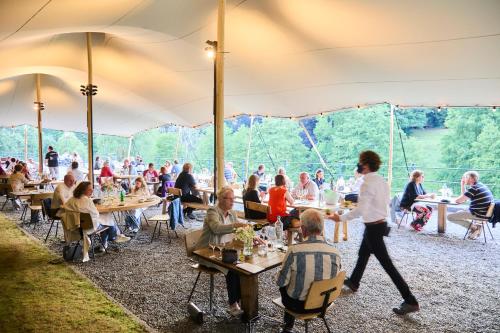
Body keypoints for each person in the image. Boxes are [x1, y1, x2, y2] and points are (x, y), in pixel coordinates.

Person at [328, 150, 419, 315]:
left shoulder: (367, 183)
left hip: (373, 228)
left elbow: (361, 210)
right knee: (363, 254)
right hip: (378, 224)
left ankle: (410, 300)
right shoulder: (381, 181)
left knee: (388, 265)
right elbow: (384, 204)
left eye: (361, 162)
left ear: (366, 164)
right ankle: (354, 281)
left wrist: (339, 218)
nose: (359, 164)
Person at [276, 209, 341, 333]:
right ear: (321, 229)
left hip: (298, 306)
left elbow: (280, 282)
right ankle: (288, 325)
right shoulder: (336, 253)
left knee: (286, 282)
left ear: (303, 229)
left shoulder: (294, 251)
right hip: (324, 303)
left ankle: (288, 326)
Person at [194, 186, 248, 316]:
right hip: (207, 252)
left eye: (233, 199)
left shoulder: (233, 213)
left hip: (224, 251)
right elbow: (216, 228)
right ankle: (233, 305)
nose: (232, 202)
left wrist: (252, 236)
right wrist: (235, 226)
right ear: (220, 199)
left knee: (243, 266)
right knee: (233, 269)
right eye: (230, 199)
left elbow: (240, 231)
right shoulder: (212, 211)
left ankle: (243, 301)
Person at [63, 181, 129, 262]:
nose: (92, 191)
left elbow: (65, 208)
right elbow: (96, 214)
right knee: (107, 217)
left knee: (105, 218)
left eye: (92, 189)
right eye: (90, 190)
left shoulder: (71, 199)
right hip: (88, 227)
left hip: (74, 226)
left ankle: (108, 241)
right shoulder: (87, 200)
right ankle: (114, 236)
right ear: (83, 190)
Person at [448, 171, 494, 240]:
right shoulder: (480, 185)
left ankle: (474, 228)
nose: (463, 179)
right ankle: (476, 228)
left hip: (478, 214)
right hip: (484, 213)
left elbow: (459, 200)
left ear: (471, 178)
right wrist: (462, 185)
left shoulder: (474, 188)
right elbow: (464, 198)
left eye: (465, 177)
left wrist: (462, 187)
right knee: (459, 212)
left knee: (450, 217)